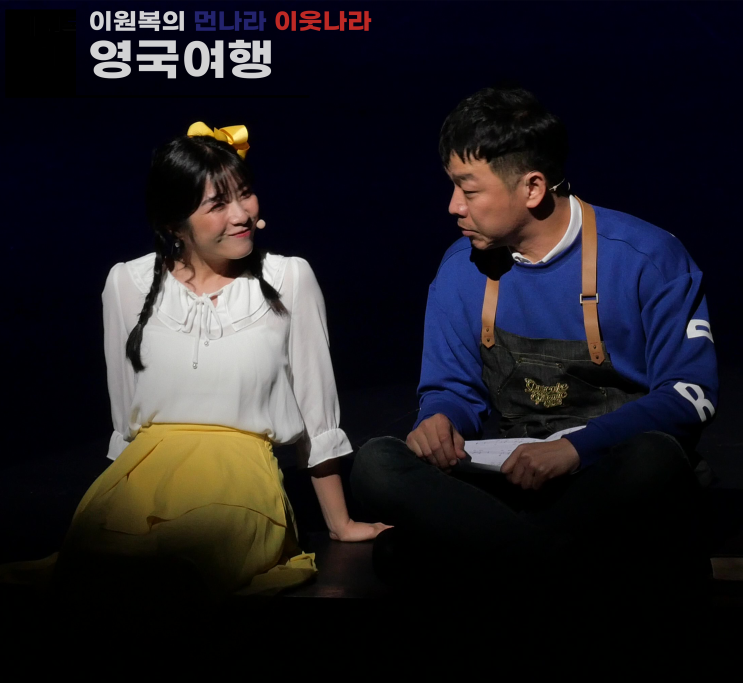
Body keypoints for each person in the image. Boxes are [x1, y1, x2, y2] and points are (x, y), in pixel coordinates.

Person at [351, 86, 718, 607]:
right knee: (376, 464)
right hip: (512, 479)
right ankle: (560, 568)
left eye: (468, 189)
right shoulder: (460, 269)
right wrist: (440, 419)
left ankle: (504, 563)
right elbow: (451, 388)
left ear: (532, 187)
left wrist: (575, 449)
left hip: (601, 476)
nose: (453, 206)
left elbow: (689, 395)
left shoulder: (646, 257)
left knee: (655, 460)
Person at [6, 122, 387, 606]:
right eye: (218, 204)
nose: (241, 214)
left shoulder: (289, 277)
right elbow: (125, 421)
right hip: (139, 482)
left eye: (244, 194)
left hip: (239, 481)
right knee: (91, 571)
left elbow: (317, 412)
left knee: (185, 571)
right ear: (174, 224)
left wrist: (340, 523)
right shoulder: (126, 283)